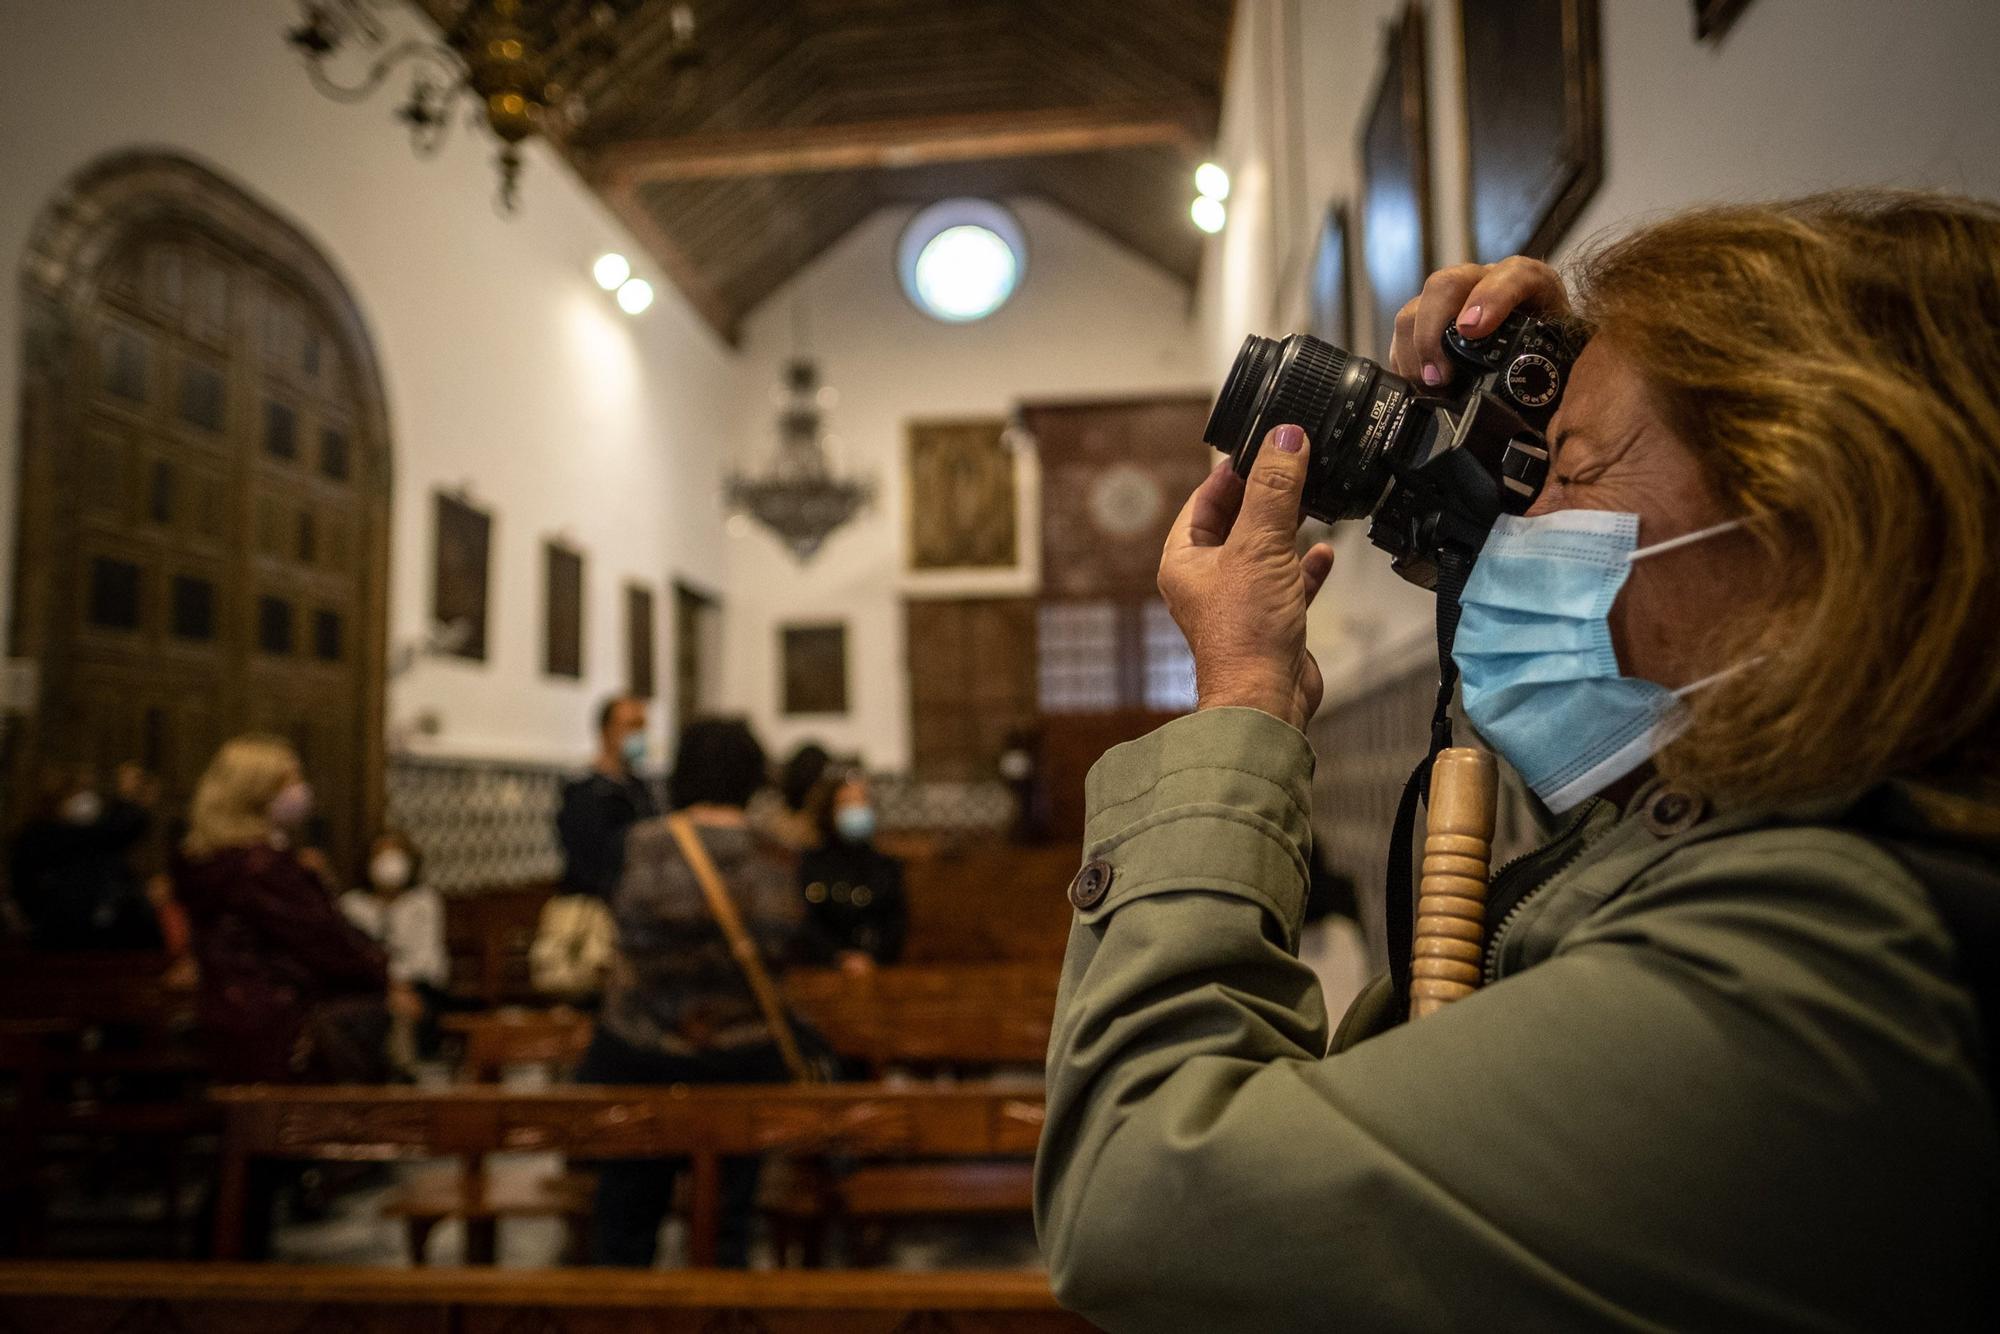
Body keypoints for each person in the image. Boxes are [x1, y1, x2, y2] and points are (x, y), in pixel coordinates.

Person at [1035, 192, 2000, 1330]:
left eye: (1565, 470)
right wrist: (1557, 377)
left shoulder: (1825, 970)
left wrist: (1238, 702)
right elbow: (1622, 873)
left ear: (1811, 515)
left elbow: (1144, 1193)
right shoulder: (1830, 840)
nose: (1510, 518)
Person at [574, 717, 806, 1267]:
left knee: (627, 1217)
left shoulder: (638, 844)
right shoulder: (778, 852)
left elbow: (621, 930)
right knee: (729, 1220)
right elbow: (791, 943)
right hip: (742, 1057)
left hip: (643, 1054)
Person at [173, 735, 391, 1087]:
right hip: (282, 1022)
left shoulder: (211, 861)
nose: (301, 791)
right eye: (289, 781)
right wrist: (376, 965)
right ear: (256, 792)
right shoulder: (262, 868)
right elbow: (322, 942)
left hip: (231, 1015)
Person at [8, 762, 163, 950]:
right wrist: (128, 800)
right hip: (68, 933)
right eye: (75, 788)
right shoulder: (45, 836)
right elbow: (112, 832)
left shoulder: (64, 837)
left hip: (83, 932)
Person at [339, 831, 447, 1068]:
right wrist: (385, 986)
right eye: (381, 854)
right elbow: (351, 956)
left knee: (405, 1009)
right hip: (368, 987)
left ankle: (405, 1076)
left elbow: (426, 959)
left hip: (417, 987)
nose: (389, 861)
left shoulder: (424, 902)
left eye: (396, 853)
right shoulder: (351, 904)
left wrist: (398, 986)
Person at [796, 766, 907, 966]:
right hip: (824, 969)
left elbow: (895, 920)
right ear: (830, 811)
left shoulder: (885, 865)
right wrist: (838, 957)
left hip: (877, 968)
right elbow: (809, 921)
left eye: (861, 801)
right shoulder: (812, 863)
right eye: (847, 803)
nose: (856, 809)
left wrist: (873, 956)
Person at [556, 696, 659, 900]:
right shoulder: (583, 790)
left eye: (643, 727)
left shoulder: (640, 789)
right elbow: (586, 858)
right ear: (607, 731)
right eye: (632, 725)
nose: (639, 734)